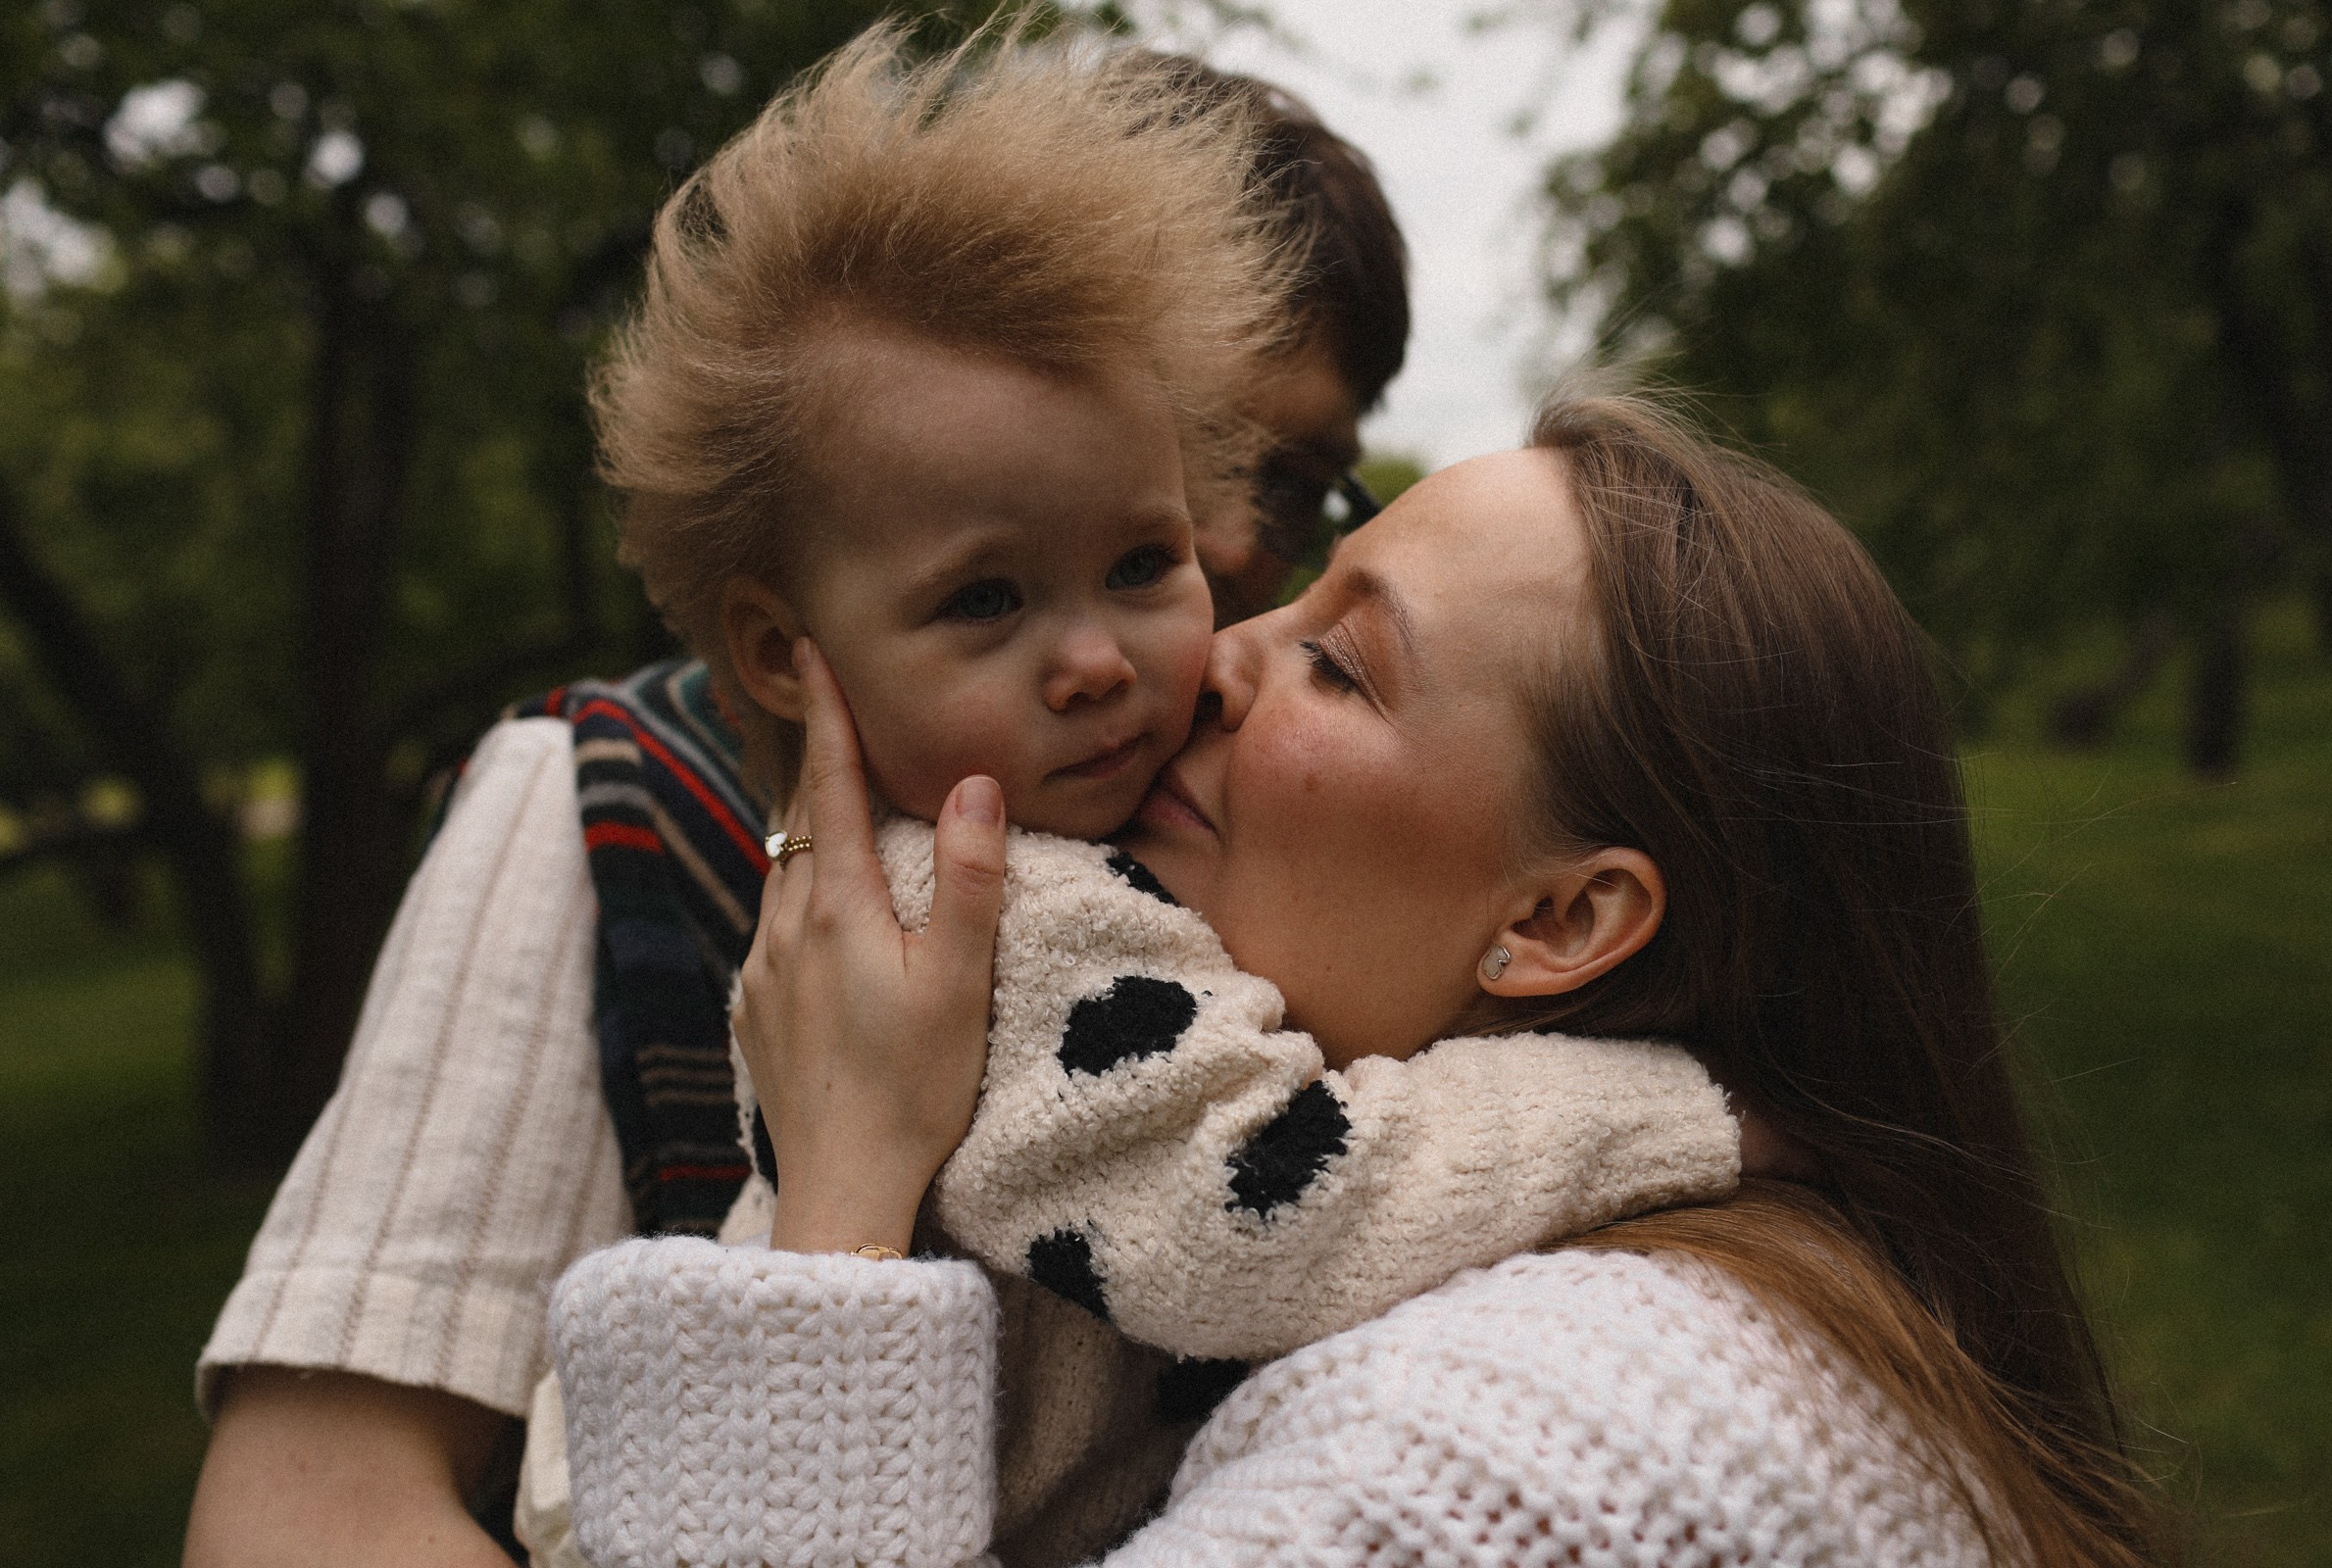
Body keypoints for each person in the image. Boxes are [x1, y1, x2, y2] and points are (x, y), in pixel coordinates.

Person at [182, 24, 1415, 1568]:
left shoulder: (1303, 796)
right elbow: (305, 1513)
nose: (1233, 544)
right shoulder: (599, 798)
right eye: (988, 564)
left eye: (1288, 486)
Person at [546, 393, 2163, 1567]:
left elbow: (1272, 1201)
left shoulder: (1479, 1463)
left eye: (1338, 661)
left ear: (1562, 922)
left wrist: (837, 1218)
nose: (1219, 658)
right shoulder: (1762, 1317)